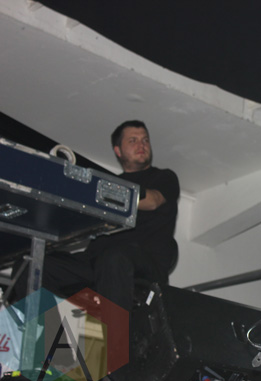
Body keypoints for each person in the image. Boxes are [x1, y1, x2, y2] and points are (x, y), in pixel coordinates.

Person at [13, 120, 180, 312]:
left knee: (114, 257)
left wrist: (99, 189)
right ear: (118, 150)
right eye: (133, 140)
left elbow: (153, 201)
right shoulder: (106, 182)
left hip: (143, 261)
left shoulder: (164, 177)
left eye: (145, 140)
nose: (141, 145)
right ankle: (52, 327)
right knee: (29, 263)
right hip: (95, 261)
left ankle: (114, 331)